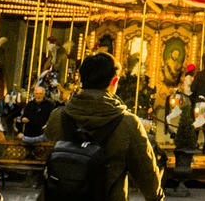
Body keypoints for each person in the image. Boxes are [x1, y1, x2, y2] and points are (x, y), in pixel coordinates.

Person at [44, 52, 164, 201]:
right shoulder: (128, 124)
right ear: (114, 81)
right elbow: (147, 177)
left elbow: (49, 144)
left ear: (82, 79)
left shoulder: (58, 116)